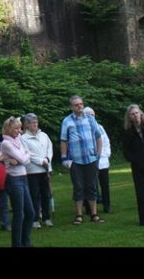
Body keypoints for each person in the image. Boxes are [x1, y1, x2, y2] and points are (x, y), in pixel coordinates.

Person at [60, 95, 104, 225]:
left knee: (92, 186)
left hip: (91, 159)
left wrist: (98, 154)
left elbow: (98, 137)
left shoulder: (90, 119)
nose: (79, 106)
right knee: (78, 187)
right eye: (76, 105)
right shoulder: (67, 121)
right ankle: (79, 215)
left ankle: (94, 214)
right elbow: (64, 140)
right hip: (76, 161)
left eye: (81, 104)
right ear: (71, 107)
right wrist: (64, 158)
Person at [1, 116, 35, 247]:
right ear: (9, 129)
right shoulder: (6, 143)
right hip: (14, 179)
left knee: (30, 213)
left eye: (20, 128)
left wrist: (25, 156)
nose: (19, 131)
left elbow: (25, 158)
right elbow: (23, 158)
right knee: (19, 214)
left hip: (23, 177)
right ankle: (17, 244)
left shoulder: (18, 140)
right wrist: (24, 156)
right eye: (16, 129)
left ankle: (26, 242)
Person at [21, 113, 53, 228]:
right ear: (27, 125)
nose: (35, 124)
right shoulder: (23, 138)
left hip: (45, 169)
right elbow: (27, 153)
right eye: (32, 123)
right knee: (34, 195)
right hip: (33, 170)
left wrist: (47, 159)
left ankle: (46, 217)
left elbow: (50, 148)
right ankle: (34, 219)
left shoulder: (44, 135)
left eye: (36, 122)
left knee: (46, 194)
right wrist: (40, 161)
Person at [84, 107, 111, 214]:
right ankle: (89, 208)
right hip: (89, 161)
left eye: (93, 115)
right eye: (89, 115)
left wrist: (106, 154)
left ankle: (107, 206)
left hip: (103, 161)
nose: (92, 117)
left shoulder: (100, 127)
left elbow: (106, 142)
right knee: (90, 185)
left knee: (105, 185)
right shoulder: (83, 128)